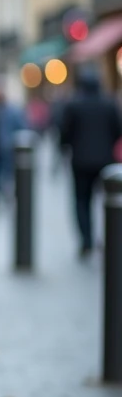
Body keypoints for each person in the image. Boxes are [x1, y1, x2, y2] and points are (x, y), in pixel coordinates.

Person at [60, 69, 122, 257]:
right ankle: (108, 236)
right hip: (105, 161)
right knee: (108, 201)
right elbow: (118, 130)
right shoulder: (109, 104)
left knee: (81, 201)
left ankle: (86, 239)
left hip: (80, 161)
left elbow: (65, 133)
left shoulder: (73, 105)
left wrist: (66, 147)